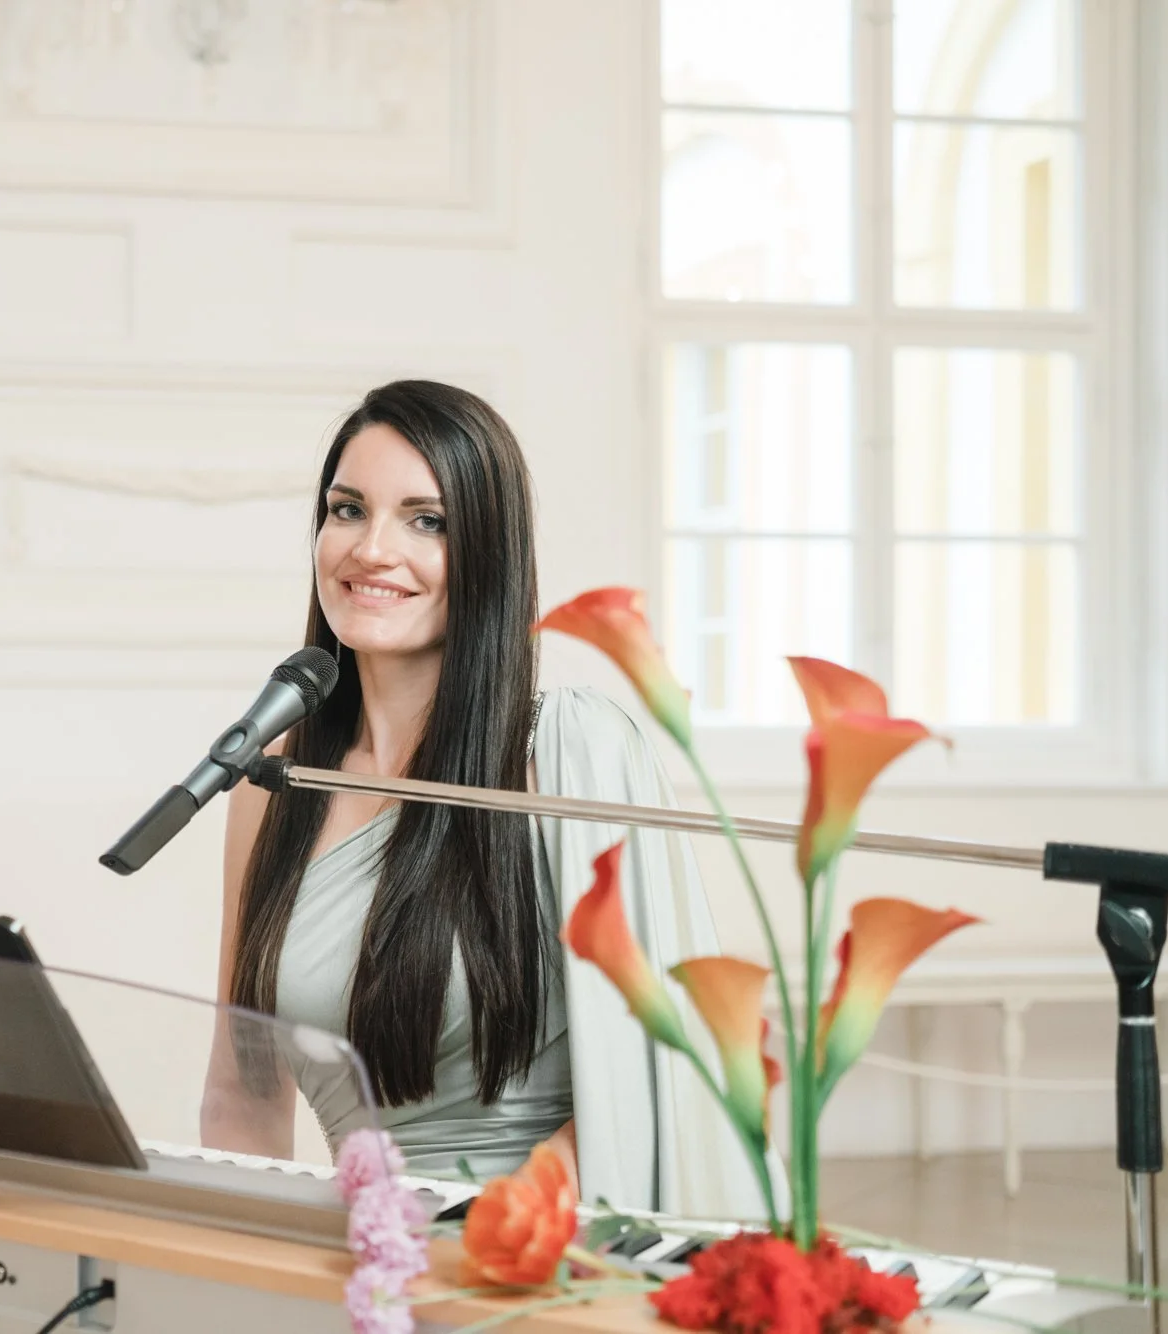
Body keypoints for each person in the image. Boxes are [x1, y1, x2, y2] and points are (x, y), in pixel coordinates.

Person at [200, 380, 766, 1220]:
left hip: (544, 1261)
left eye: (426, 521)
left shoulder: (571, 752)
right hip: (362, 1266)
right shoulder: (276, 778)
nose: (371, 550)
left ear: (488, 553)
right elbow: (243, 1093)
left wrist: (488, 1250)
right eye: (348, 510)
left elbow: (661, 1074)